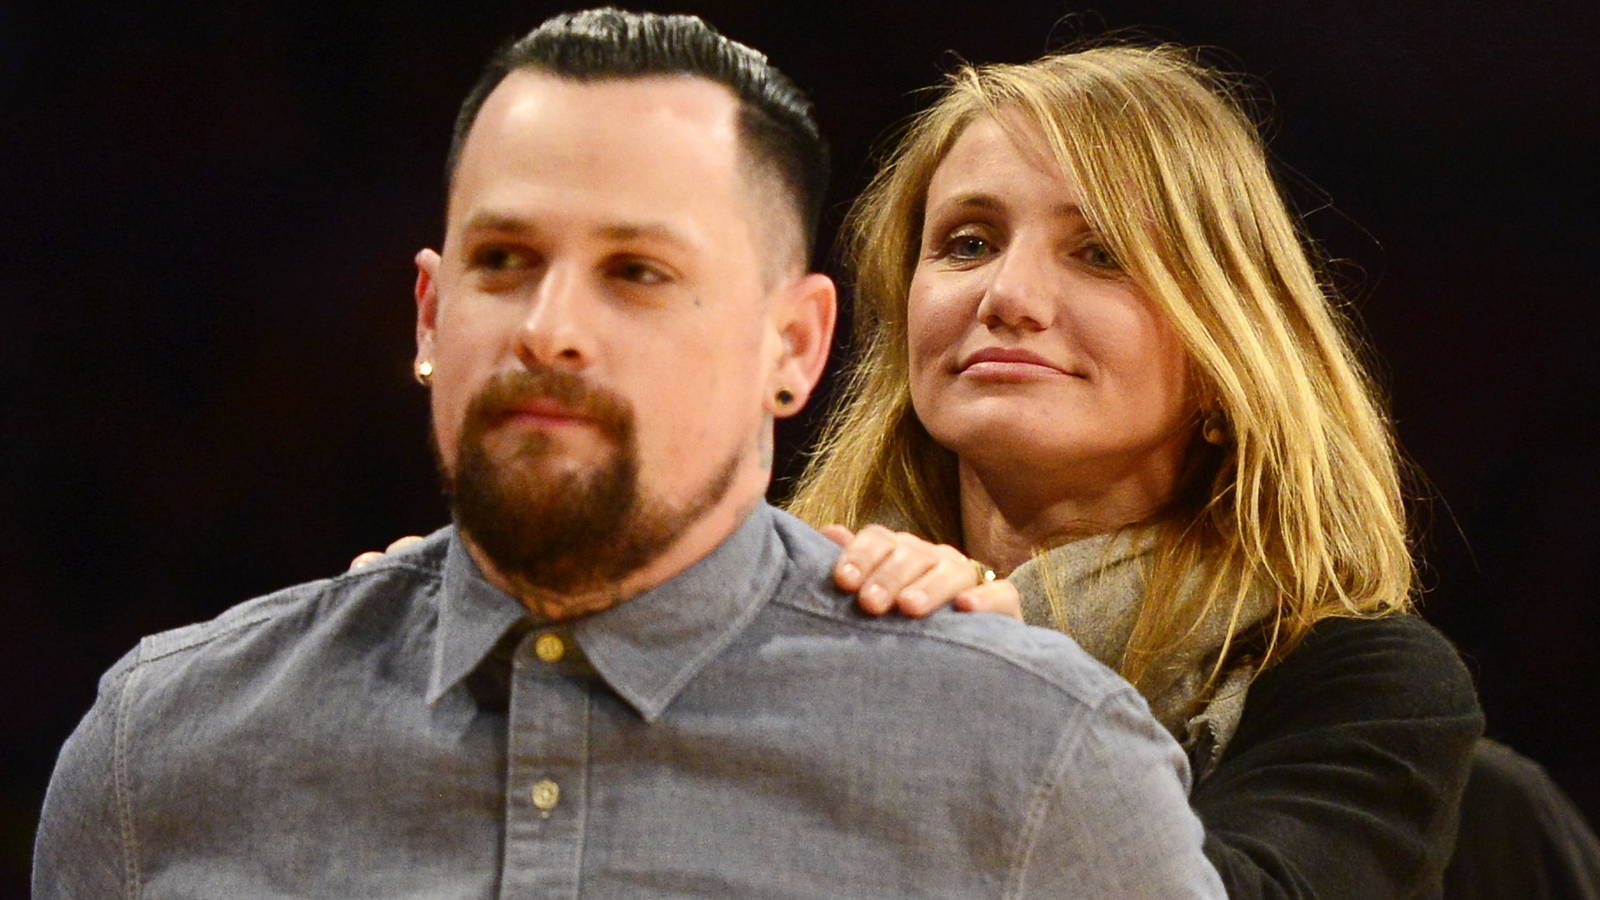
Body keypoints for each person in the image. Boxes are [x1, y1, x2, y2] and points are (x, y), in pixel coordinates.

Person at [33, 11, 1225, 898]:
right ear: (429, 318)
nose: (550, 328)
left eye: (637, 272)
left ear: (793, 346)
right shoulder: (161, 750)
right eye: (504, 261)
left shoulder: (1038, 763)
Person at [781, 44, 1485, 897]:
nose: (1008, 297)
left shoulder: (1365, 685)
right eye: (969, 243)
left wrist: (1005, 687)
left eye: (1101, 253)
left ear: (1224, 350)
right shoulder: (789, 619)